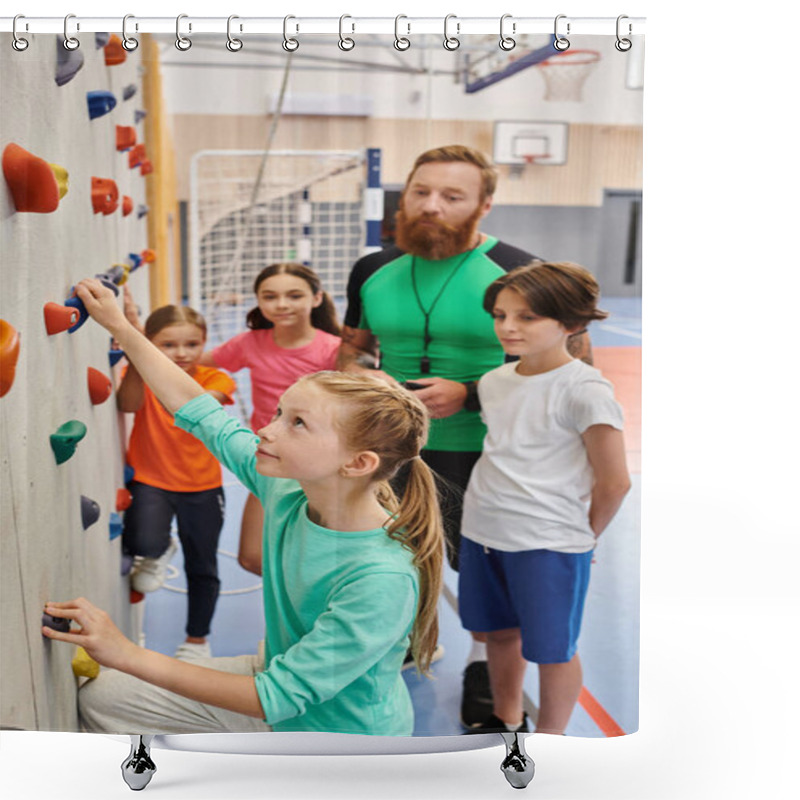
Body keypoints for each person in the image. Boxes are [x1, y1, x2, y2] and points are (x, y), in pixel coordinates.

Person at [42, 277, 443, 736]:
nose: (268, 431)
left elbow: (276, 699)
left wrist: (128, 654)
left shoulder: (381, 578)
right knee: (106, 698)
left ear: (358, 463)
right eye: (277, 414)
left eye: (296, 424)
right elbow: (197, 408)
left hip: (333, 737)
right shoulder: (289, 489)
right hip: (280, 674)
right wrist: (123, 326)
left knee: (112, 695)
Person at [337, 144, 592, 727]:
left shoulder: (521, 271)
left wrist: (469, 392)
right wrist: (355, 382)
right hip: (387, 443)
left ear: (484, 205)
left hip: (488, 447)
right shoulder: (371, 269)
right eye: (422, 192)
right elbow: (354, 347)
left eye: (453, 196)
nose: (432, 206)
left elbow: (571, 364)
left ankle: (483, 665)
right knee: (388, 551)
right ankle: (397, 642)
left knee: (481, 566)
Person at [459, 262, 631, 735]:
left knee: (552, 650)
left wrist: (584, 537)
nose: (508, 327)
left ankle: (552, 742)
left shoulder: (585, 389)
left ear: (571, 324)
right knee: (498, 635)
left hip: (547, 541)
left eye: (527, 317)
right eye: (500, 314)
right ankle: (507, 717)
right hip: (483, 528)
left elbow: (614, 481)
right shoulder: (495, 381)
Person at [199, 263, 341, 575]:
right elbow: (190, 360)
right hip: (269, 462)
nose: (281, 305)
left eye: (294, 295)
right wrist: (131, 331)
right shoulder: (250, 343)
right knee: (252, 558)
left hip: (321, 468)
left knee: (322, 556)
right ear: (259, 302)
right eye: (270, 296)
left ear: (316, 299)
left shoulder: (334, 350)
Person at [117, 291, 236, 659]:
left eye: (192, 344)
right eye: (168, 345)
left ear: (204, 343)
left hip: (202, 485)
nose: (182, 353)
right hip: (152, 478)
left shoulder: (215, 377)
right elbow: (128, 404)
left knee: (203, 565)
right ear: (151, 344)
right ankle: (158, 550)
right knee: (142, 542)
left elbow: (201, 402)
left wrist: (145, 350)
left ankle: (197, 640)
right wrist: (137, 353)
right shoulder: (138, 372)